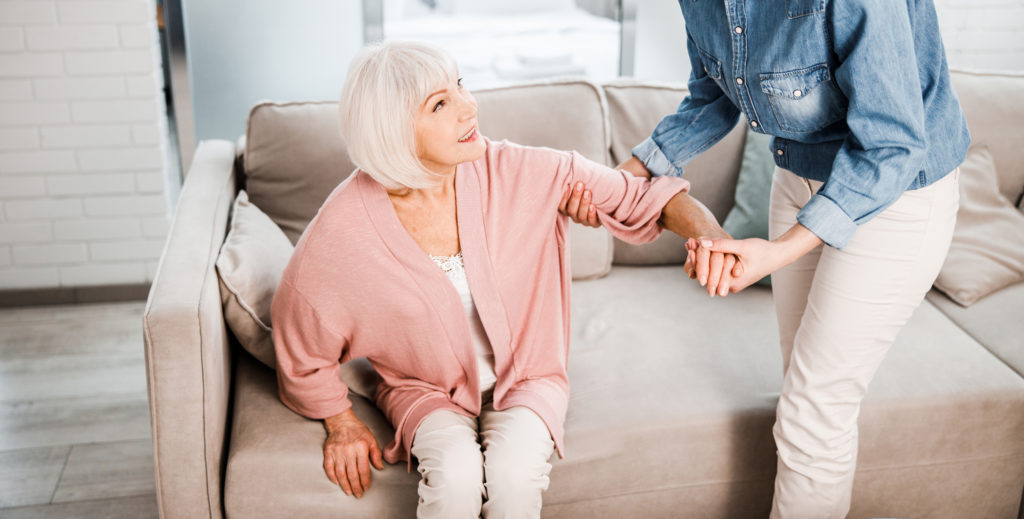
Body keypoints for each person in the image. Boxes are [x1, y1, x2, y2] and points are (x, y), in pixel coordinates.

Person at [270, 40, 729, 519]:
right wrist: (339, 421)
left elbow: (645, 198)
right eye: (441, 104)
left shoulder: (521, 170)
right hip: (422, 390)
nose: (470, 108)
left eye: (460, 86)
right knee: (455, 476)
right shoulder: (344, 228)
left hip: (529, 377)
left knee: (513, 478)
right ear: (394, 130)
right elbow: (300, 335)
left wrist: (714, 239)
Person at [563, 1, 969, 517]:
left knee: (812, 411)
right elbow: (713, 96)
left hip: (897, 191)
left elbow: (892, 146)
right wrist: (617, 179)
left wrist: (776, 252)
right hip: (797, 178)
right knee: (804, 395)